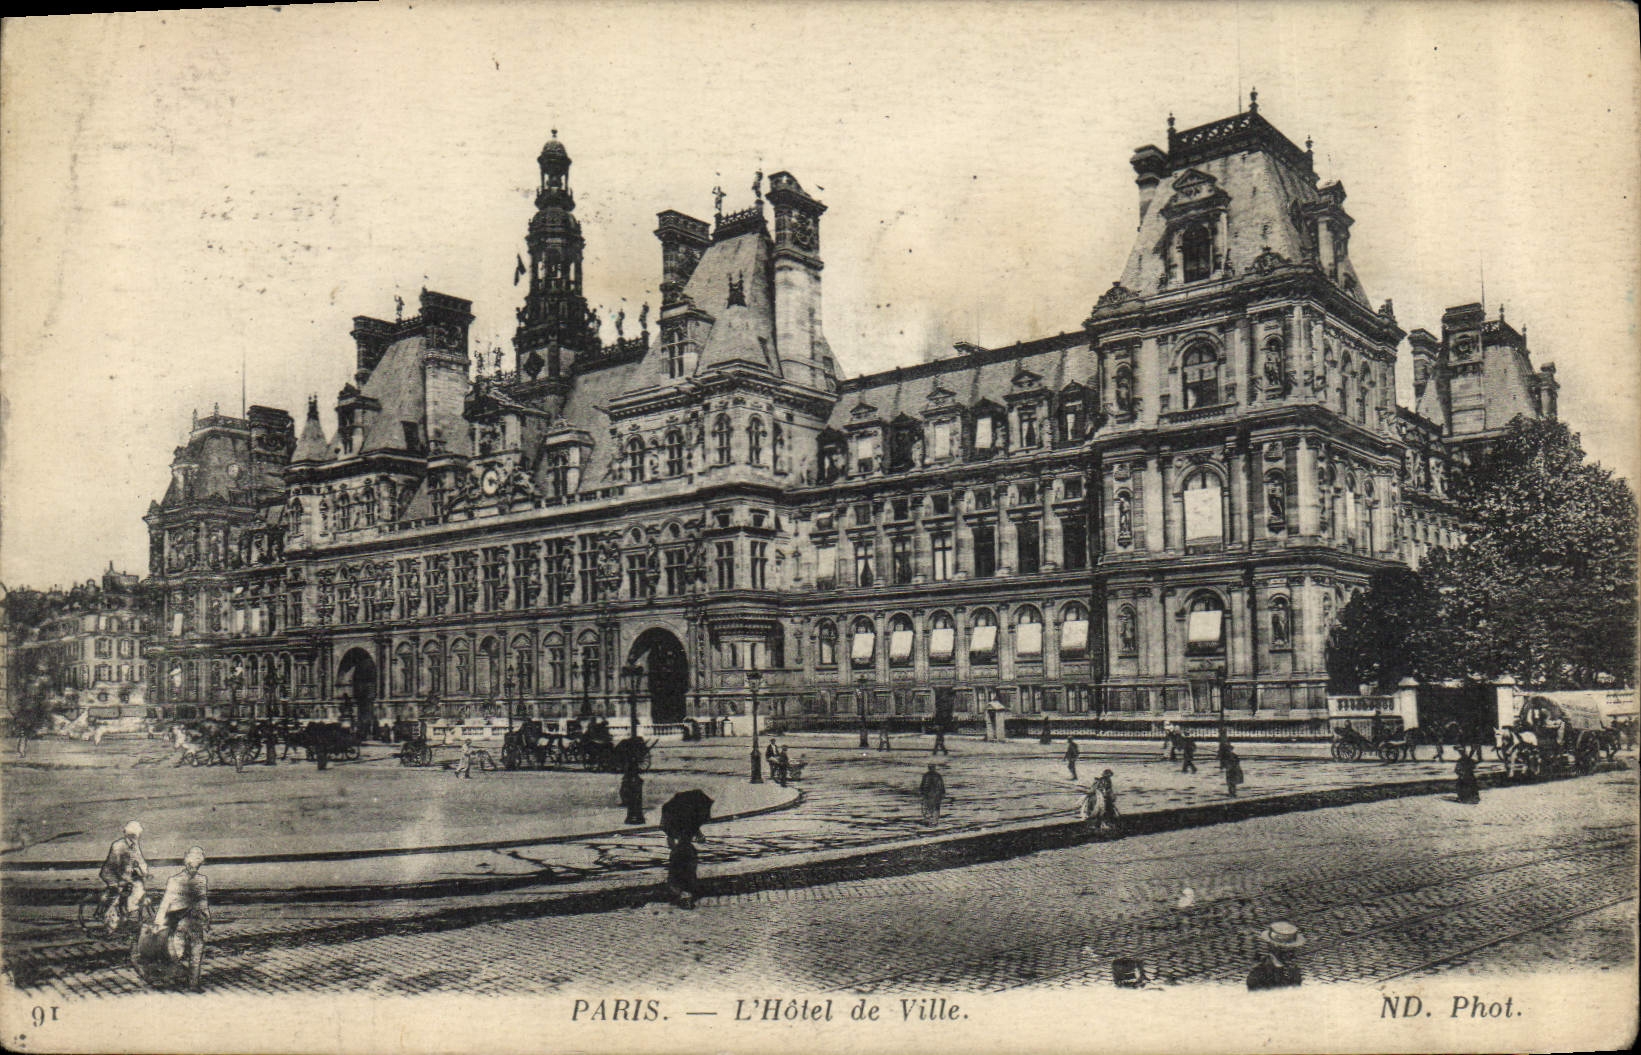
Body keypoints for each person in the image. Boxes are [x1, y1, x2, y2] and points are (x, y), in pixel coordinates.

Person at [141, 845, 210, 991]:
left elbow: (203, 901)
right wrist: (158, 923)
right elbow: (165, 902)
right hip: (179, 922)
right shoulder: (175, 880)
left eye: (197, 867)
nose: (194, 870)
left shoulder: (202, 880)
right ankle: (170, 979)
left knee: (197, 952)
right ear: (187, 864)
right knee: (176, 952)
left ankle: (193, 983)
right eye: (192, 866)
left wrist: (207, 918)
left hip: (196, 922)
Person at [98, 821, 149, 934]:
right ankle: (110, 921)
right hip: (111, 874)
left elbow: (140, 860)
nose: (136, 838)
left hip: (125, 875)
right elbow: (113, 865)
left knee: (135, 890)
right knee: (118, 894)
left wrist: (145, 872)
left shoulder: (134, 845)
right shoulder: (118, 846)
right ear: (129, 835)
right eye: (134, 836)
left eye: (136, 836)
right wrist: (123, 879)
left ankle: (125, 914)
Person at [1246, 921, 1304, 990]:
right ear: (1273, 947)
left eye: (1292, 949)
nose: (1291, 953)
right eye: (1286, 949)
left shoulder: (1294, 972)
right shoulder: (1258, 975)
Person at [666, 832, 699, 909]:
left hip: (681, 863)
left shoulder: (676, 889)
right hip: (684, 862)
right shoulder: (691, 889)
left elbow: (672, 875)